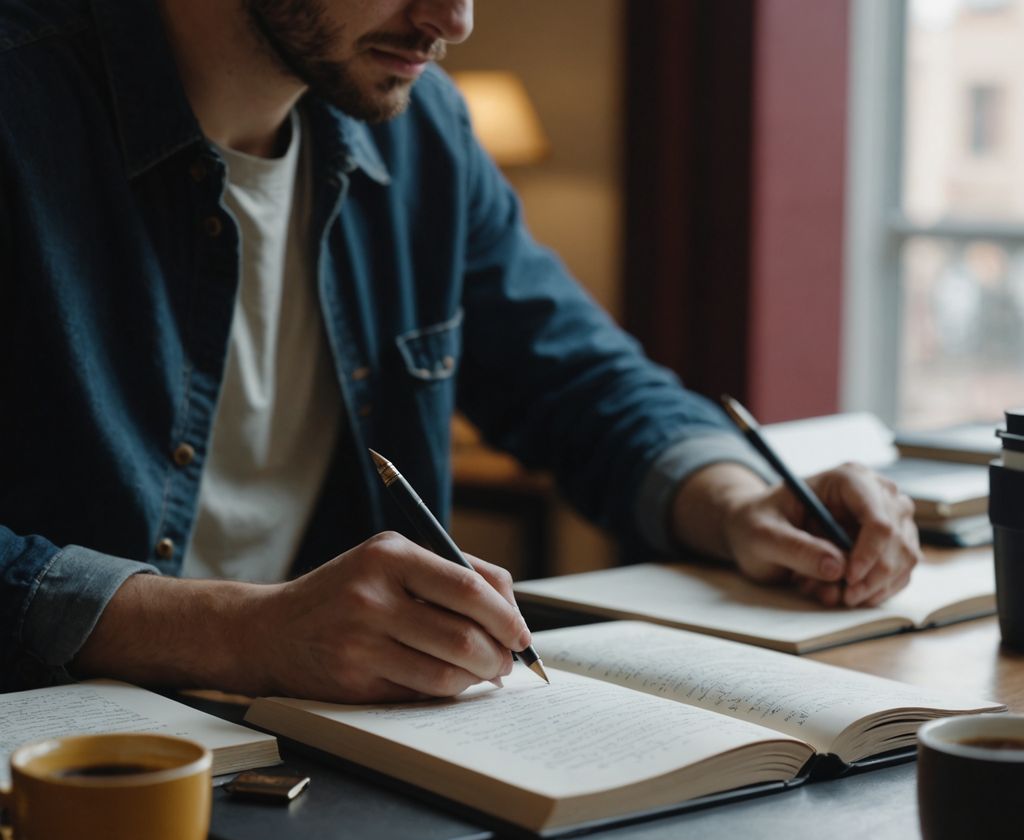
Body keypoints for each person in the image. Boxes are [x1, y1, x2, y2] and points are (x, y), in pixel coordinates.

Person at [0, 0, 918, 701]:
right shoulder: (23, 102)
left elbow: (577, 374)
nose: (457, 20)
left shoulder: (426, 130)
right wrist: (239, 635)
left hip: (325, 764)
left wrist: (739, 503)